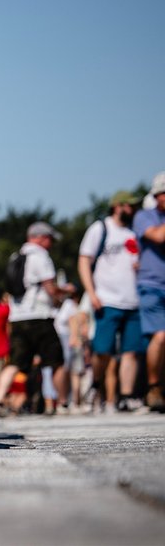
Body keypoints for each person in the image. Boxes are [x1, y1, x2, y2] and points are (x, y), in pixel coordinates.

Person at [0, 222, 71, 417]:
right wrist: (63, 293)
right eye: (49, 239)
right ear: (40, 237)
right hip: (40, 315)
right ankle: (64, 404)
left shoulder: (16, 257)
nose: (50, 243)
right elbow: (50, 287)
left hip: (18, 316)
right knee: (55, 361)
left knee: (15, 362)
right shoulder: (40, 256)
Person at [78, 191, 145, 413]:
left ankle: (126, 396)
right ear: (117, 206)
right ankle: (95, 385)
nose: (132, 210)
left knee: (131, 351)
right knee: (102, 351)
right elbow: (84, 261)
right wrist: (91, 292)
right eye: (129, 205)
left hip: (133, 300)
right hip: (107, 299)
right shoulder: (100, 228)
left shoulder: (134, 232)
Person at [134, 172, 165, 412]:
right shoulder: (144, 217)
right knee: (161, 335)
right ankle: (153, 386)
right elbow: (158, 236)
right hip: (152, 285)